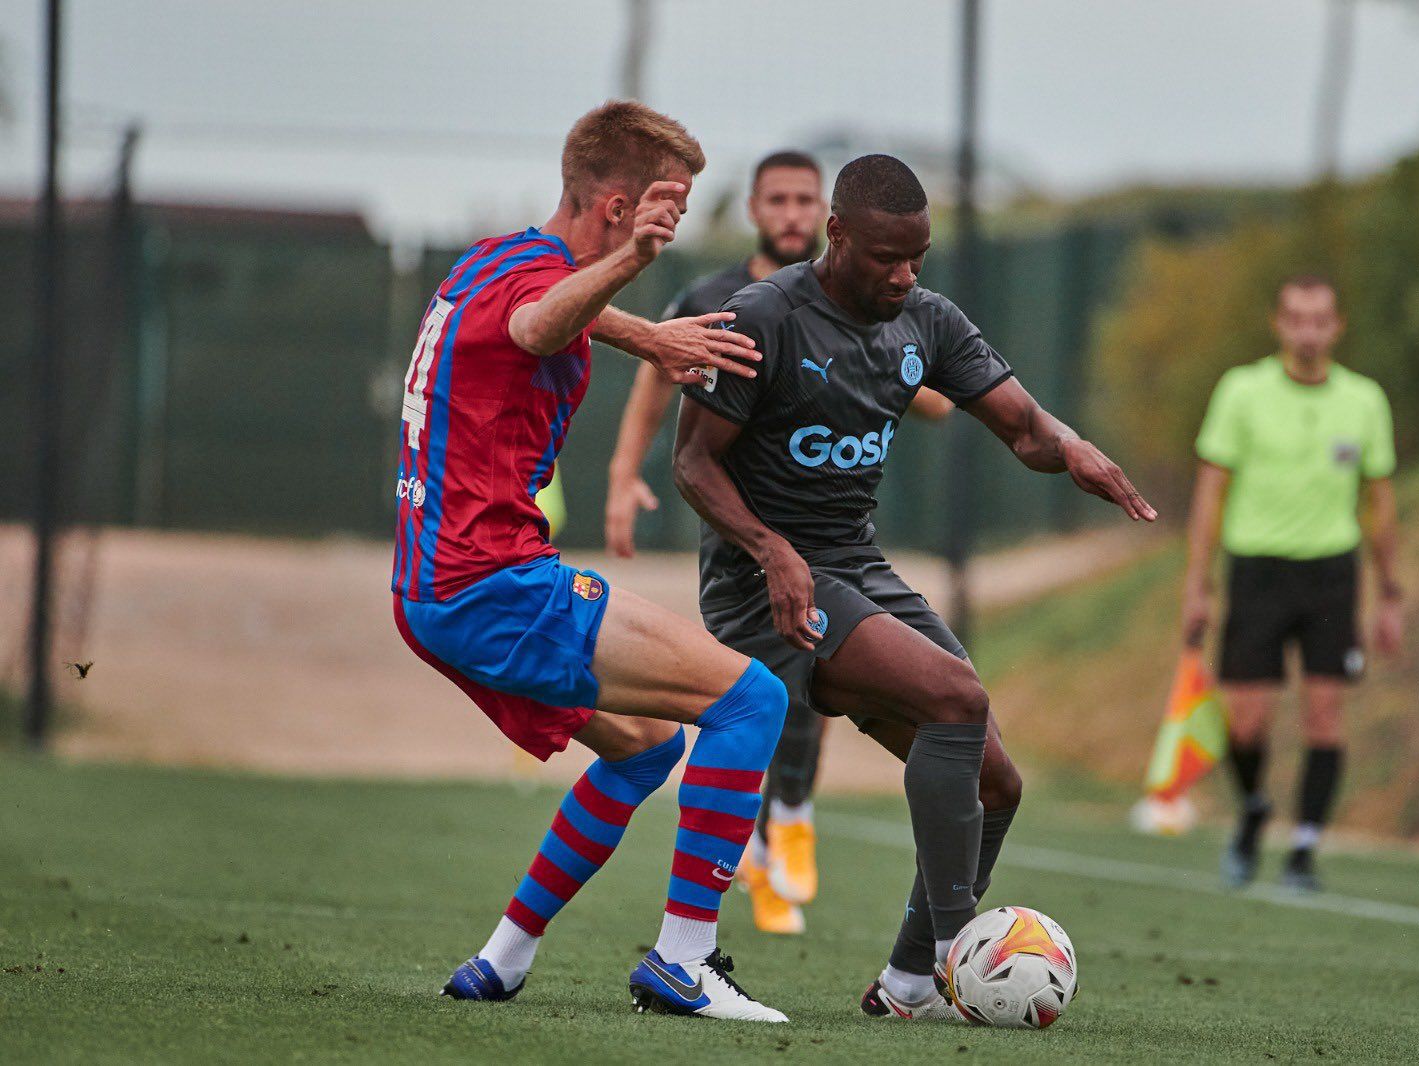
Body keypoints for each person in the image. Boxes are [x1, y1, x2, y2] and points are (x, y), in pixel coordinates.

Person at [672, 154, 1156, 1020]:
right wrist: (772, 551)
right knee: (956, 697)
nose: (904, 276)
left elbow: (1024, 426)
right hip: (761, 586)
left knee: (995, 785)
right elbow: (693, 464)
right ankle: (957, 957)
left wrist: (1073, 449)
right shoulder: (765, 316)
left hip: (854, 567)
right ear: (838, 235)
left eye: (917, 259)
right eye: (886, 258)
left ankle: (903, 986)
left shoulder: (925, 321)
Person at [391, 100, 792, 1023]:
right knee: (751, 699)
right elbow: (538, 329)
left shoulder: (492, 259)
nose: (673, 225)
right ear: (617, 208)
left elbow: (540, 309)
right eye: (667, 209)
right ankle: (684, 961)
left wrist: (649, 333)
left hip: (429, 590)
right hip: (489, 583)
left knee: (646, 749)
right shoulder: (554, 283)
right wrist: (641, 265)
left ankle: (500, 961)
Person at [604, 149, 952, 936]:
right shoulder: (721, 300)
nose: (791, 213)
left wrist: (903, 374)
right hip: (741, 544)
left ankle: (790, 814)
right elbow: (655, 385)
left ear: (822, 212)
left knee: (820, 675)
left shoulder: (872, 298)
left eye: (803, 198)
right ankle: (759, 844)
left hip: (832, 538)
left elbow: (927, 393)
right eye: (778, 200)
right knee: (766, 689)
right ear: (758, 209)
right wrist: (624, 475)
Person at [1180, 275, 1403, 893]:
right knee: (1246, 723)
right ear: (1279, 324)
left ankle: (1303, 849)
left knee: (1325, 717)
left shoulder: (1364, 401)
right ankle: (1254, 807)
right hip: (1256, 571)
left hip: (1332, 573)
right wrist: (1197, 584)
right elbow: (1210, 493)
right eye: (1297, 318)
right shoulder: (1241, 391)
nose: (1308, 330)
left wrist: (1390, 592)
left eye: (1319, 319)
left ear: (1337, 327)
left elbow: (1381, 504)